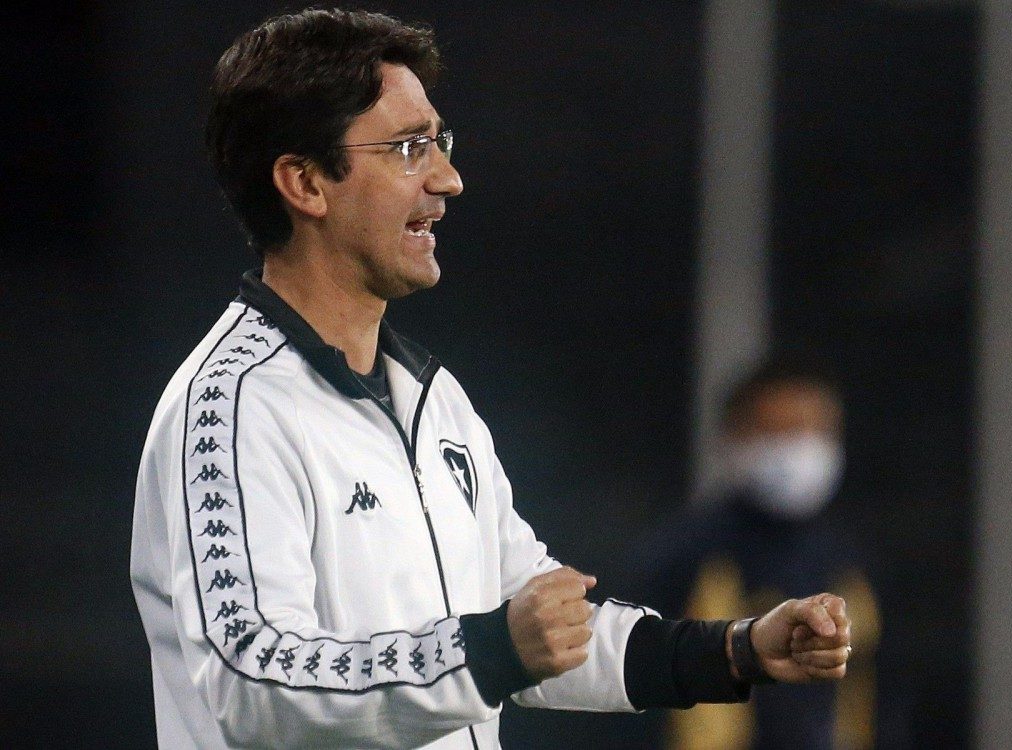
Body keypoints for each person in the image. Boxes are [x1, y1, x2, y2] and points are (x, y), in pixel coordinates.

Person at [129, 10, 851, 749]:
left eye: (438, 143)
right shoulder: (230, 409)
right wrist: (490, 651)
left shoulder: (433, 400)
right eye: (408, 148)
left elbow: (540, 625)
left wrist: (734, 650)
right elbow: (254, 681)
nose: (447, 178)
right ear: (305, 182)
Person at [634, 359, 881, 750]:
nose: (801, 448)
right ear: (735, 437)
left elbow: (871, 693)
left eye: (817, 431)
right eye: (783, 431)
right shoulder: (687, 554)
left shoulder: (850, 560)